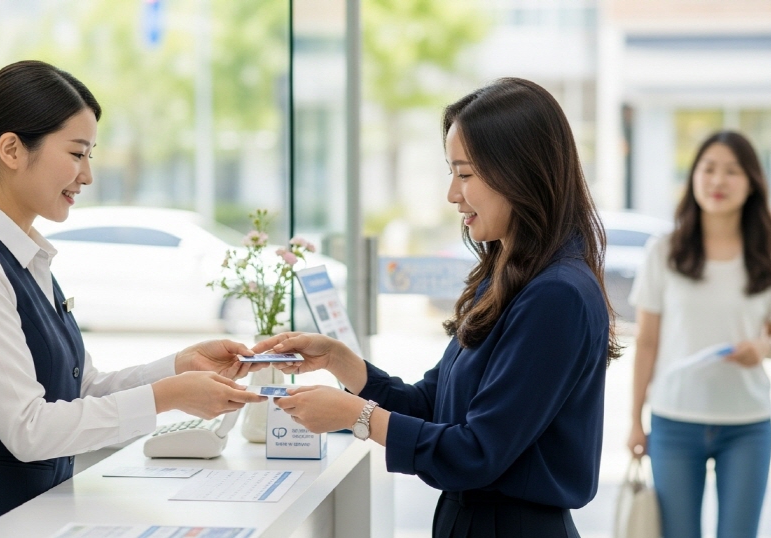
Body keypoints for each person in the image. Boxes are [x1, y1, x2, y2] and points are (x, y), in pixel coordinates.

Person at [0, 60, 265, 538]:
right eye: (77, 153)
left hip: (35, 521)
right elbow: (30, 429)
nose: (87, 176)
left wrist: (178, 368)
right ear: (12, 149)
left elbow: (79, 391)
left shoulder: (23, 258)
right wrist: (167, 397)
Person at [254, 78, 620, 538]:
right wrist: (341, 363)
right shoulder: (508, 274)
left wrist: (356, 417)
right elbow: (435, 406)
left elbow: (475, 451)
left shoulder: (556, 295)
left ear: (521, 172)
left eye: (465, 174)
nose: (452, 194)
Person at [626, 131, 771, 538]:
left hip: (747, 424)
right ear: (693, 177)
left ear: (752, 182)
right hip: (674, 421)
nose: (718, 181)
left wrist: (764, 347)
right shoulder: (663, 252)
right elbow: (647, 342)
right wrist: (634, 420)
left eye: (732, 171)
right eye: (708, 168)